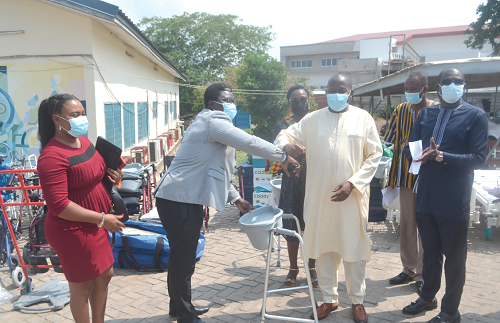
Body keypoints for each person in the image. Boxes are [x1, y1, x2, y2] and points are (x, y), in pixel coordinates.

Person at [154, 82, 300, 323]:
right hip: (177, 199)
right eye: (226, 100)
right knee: (183, 258)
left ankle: (179, 307)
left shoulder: (210, 125)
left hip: (182, 199)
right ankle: (185, 315)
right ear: (212, 103)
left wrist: (237, 198)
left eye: (233, 99)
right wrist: (283, 156)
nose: (232, 104)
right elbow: (250, 142)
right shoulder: (213, 121)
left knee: (183, 257)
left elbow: (216, 170)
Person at [274, 74, 382, 323]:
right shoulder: (312, 120)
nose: (336, 94)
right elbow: (284, 135)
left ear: (350, 92)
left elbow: (374, 156)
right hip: (320, 198)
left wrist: (352, 183)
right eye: (331, 90)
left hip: (352, 199)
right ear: (325, 94)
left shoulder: (362, 118)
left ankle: (357, 301)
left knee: (354, 250)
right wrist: (286, 147)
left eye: (341, 89)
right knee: (323, 250)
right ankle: (329, 299)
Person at [401, 68, 488, 323]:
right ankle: (428, 296)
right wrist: (417, 155)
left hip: (454, 199)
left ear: (464, 85)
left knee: (454, 259)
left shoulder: (475, 116)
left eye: (457, 81)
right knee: (429, 253)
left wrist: (441, 156)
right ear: (438, 87)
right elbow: (411, 147)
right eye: (447, 81)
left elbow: (477, 158)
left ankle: (450, 311)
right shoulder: (426, 113)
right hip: (426, 196)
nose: (452, 85)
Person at [37, 94, 125, 323]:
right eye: (74, 115)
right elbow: (59, 205)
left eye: (82, 114)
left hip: (96, 223)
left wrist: (115, 175)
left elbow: (96, 171)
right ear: (58, 120)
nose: (81, 119)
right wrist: (101, 219)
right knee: (82, 285)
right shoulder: (51, 157)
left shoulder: (82, 140)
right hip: (72, 229)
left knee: (105, 275)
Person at [384, 72, 438, 294]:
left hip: (429, 178)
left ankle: (422, 273)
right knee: (407, 224)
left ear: (425, 89)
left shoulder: (437, 110)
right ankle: (408, 268)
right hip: (406, 178)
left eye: (414, 88)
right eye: (406, 88)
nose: (409, 92)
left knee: (426, 226)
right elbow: (388, 139)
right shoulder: (401, 110)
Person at [266, 84, 317, 288]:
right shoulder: (282, 125)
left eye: (303, 98)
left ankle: (312, 268)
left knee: (312, 225)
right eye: (295, 100)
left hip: (315, 180)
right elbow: (273, 153)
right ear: (289, 104)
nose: (300, 102)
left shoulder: (317, 121)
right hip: (291, 182)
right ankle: (294, 267)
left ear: (309, 100)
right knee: (292, 226)